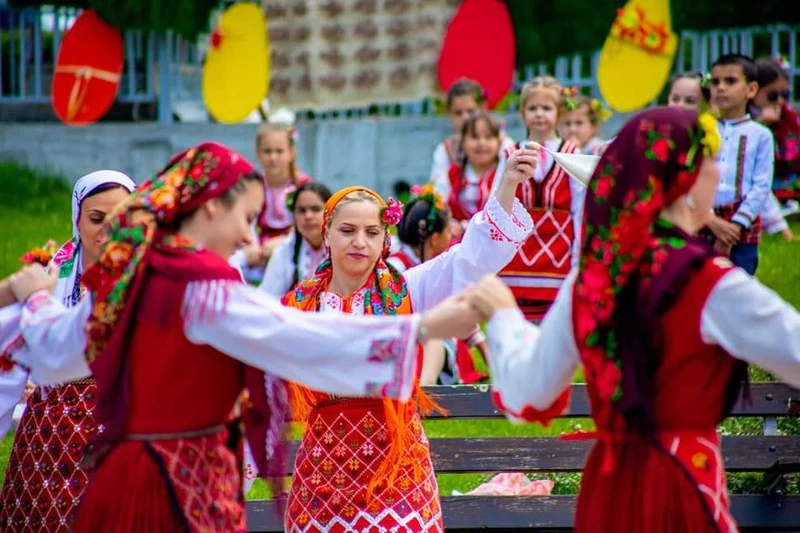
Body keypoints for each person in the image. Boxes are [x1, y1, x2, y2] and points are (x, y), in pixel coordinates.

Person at [2, 142, 479, 532]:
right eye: (247, 218)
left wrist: (35, 299)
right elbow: (295, 337)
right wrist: (427, 328)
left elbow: (55, 351)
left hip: (122, 480)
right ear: (211, 206)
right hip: (179, 487)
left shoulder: (130, 276)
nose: (250, 238)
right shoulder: (199, 283)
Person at [470, 107, 800, 532]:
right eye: (711, 161)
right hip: (679, 486)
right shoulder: (706, 281)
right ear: (685, 179)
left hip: (609, 490)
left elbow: (526, 393)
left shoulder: (590, 279)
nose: (718, 173)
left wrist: (501, 316)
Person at [281, 145, 537, 532]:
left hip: (396, 463)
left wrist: (506, 185)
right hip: (324, 465)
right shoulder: (298, 304)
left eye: (371, 232)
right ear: (326, 233)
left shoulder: (407, 288)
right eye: (347, 231)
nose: (359, 242)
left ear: (386, 237)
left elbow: (468, 259)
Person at [0, 170, 135, 532]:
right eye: (96, 218)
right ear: (77, 218)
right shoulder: (53, 272)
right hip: (51, 437)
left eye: (119, 218)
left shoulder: (144, 276)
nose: (107, 229)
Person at [667, 68, 793, 241]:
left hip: (710, 219)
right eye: (675, 98)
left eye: (690, 101)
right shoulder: (658, 132)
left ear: (708, 106)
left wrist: (778, 225)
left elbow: (755, 184)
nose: (680, 105)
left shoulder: (709, 137)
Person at [496, 76, 582, 321]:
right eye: (533, 108)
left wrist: (577, 256)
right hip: (517, 255)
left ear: (559, 112)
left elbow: (579, 207)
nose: (540, 114)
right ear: (523, 113)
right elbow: (498, 199)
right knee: (515, 320)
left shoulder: (571, 153)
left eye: (547, 108)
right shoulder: (510, 153)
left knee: (553, 321)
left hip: (558, 254)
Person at [389, 183, 488, 385]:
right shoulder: (396, 267)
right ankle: (426, 388)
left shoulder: (438, 266)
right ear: (434, 238)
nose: (452, 234)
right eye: (447, 228)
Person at [706, 54, 775, 274]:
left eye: (730, 81)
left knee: (740, 284)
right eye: (715, 82)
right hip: (704, 221)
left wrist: (735, 225)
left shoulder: (760, 135)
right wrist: (711, 221)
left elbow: (761, 185)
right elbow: (693, 176)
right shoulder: (703, 130)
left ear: (751, 89)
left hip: (742, 230)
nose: (721, 88)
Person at [236, 124, 312, 283]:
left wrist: (281, 243)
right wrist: (251, 247)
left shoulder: (302, 185)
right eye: (267, 151)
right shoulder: (252, 185)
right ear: (258, 153)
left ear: (291, 153)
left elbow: (309, 222)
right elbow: (244, 219)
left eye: (279, 151)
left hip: (291, 246)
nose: (273, 157)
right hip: (257, 250)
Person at [429, 78, 514, 184]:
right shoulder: (446, 150)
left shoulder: (504, 144)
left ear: (483, 108)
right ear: (449, 114)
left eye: (471, 111)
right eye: (458, 113)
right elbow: (436, 189)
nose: (465, 118)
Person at [437, 111, 506, 238]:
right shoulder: (453, 174)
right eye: (474, 137)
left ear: (499, 142)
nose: (481, 143)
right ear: (462, 142)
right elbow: (439, 204)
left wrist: (465, 226)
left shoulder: (504, 175)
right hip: (455, 244)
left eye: (488, 137)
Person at [259, 182, 332, 297]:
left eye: (315, 209)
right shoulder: (284, 252)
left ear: (330, 214)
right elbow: (267, 298)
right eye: (301, 210)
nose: (308, 216)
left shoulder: (342, 250)